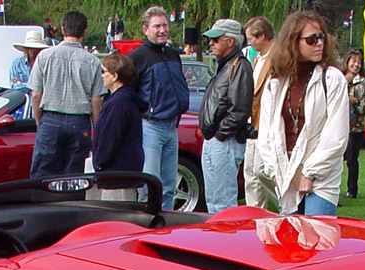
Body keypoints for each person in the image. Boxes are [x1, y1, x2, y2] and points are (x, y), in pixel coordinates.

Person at [259, 10, 348, 216]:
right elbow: (267, 132)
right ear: (293, 42)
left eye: (322, 37)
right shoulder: (277, 81)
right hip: (286, 170)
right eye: (311, 39)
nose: (319, 43)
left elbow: (336, 136)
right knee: (289, 243)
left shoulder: (332, 78)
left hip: (320, 174)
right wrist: (274, 171)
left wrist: (310, 173)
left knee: (317, 242)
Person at [28, 12, 104, 178]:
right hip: (79, 122)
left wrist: (40, 122)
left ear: (62, 29)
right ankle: (70, 202)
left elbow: (35, 95)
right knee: (74, 176)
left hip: (50, 118)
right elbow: (96, 101)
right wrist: (96, 130)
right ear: (84, 32)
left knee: (43, 175)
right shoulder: (93, 61)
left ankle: (44, 202)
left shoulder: (45, 56)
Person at [129, 7, 189, 209]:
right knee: (149, 184)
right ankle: (146, 226)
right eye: (157, 26)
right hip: (150, 128)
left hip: (172, 127)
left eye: (165, 25)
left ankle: (166, 226)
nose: (162, 30)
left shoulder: (172, 54)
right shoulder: (137, 57)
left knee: (169, 184)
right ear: (146, 29)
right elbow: (127, 93)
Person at [199, 19, 253, 213]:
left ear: (230, 41)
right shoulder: (225, 66)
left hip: (225, 141)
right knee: (213, 200)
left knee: (223, 202)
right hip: (215, 140)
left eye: (216, 39)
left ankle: (225, 239)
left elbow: (240, 109)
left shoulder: (239, 66)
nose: (211, 44)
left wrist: (220, 134)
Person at [92, 53, 145, 199]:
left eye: (104, 71)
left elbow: (110, 137)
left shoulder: (118, 103)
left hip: (117, 175)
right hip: (124, 173)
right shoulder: (124, 99)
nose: (102, 75)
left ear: (114, 76)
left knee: (115, 217)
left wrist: (99, 162)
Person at [242, 16, 275, 208]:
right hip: (252, 124)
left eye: (251, 38)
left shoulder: (278, 57)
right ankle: (255, 218)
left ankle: (289, 201)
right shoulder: (257, 58)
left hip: (267, 125)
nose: (249, 43)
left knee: (262, 170)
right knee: (251, 174)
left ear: (262, 35)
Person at [342, 49, 365, 199]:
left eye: (359, 62)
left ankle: (352, 190)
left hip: (356, 128)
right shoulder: (340, 80)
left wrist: (355, 103)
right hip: (339, 127)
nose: (356, 64)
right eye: (353, 61)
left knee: (352, 158)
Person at [9, 29, 48, 119]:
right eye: (30, 48)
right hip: (22, 111)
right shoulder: (17, 64)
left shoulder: (45, 64)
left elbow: (48, 86)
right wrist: (37, 86)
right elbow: (14, 87)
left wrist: (22, 84)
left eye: (36, 48)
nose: (33, 51)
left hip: (42, 111)